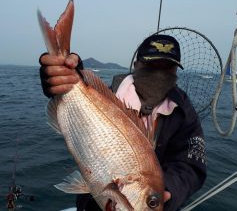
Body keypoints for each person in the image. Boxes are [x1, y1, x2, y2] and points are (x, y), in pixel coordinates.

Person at [39, 34, 207, 211]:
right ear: (136, 65)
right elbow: (79, 108)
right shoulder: (108, 98)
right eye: (152, 66)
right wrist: (64, 81)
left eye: (168, 68)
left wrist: (166, 192)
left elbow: (192, 166)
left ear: (176, 71)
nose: (159, 74)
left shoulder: (183, 111)